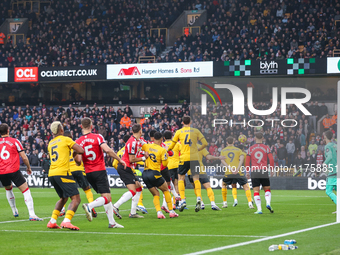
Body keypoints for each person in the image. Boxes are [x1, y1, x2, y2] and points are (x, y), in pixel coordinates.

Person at [78, 117, 125, 228]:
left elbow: (78, 159)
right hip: (99, 170)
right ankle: (89, 206)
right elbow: (107, 150)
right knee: (107, 197)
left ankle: (112, 223)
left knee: (106, 196)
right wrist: (119, 160)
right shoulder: (98, 137)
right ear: (91, 126)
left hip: (88, 173)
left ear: (81, 126)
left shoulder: (78, 141)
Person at [0, 123, 42, 221]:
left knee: (8, 189)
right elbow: (24, 157)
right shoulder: (15, 141)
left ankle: (14, 211)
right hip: (13, 170)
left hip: (2, 171)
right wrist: (28, 167)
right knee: (25, 190)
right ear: (8, 131)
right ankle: (32, 214)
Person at [47, 121, 84, 230]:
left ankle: (52, 221)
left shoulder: (50, 143)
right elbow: (81, 150)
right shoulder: (66, 139)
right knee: (76, 198)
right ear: (61, 130)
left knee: (64, 198)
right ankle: (66, 221)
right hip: (63, 172)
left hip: (52, 173)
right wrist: (74, 153)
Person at [167, 116, 208, 212]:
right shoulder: (196, 131)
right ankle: (198, 198)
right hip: (194, 158)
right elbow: (205, 143)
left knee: (181, 177)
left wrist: (167, 150)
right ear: (191, 122)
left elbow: (172, 145)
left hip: (184, 158)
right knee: (196, 178)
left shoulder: (178, 132)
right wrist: (199, 149)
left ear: (182, 122)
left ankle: (182, 200)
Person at [141, 132, 178, 219]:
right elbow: (164, 164)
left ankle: (159, 213)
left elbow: (141, 148)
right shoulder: (162, 150)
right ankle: (171, 212)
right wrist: (166, 155)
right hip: (155, 173)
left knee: (156, 194)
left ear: (153, 138)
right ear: (162, 139)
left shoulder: (147, 146)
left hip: (145, 174)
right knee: (166, 190)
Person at [113, 124, 146, 219]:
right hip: (125, 167)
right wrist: (143, 158)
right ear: (140, 131)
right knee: (132, 191)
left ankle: (133, 212)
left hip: (127, 167)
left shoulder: (135, 140)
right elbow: (131, 159)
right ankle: (115, 206)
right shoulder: (133, 142)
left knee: (138, 187)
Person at [62, 130, 97, 218]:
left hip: (69, 171)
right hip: (79, 169)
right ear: (71, 136)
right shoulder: (76, 144)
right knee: (87, 189)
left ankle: (62, 209)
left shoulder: (63, 146)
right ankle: (91, 206)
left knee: (66, 192)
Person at [149, 130, 180, 213]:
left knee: (166, 186)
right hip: (164, 167)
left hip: (154, 169)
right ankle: (175, 197)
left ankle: (165, 204)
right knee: (167, 186)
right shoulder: (163, 145)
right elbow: (171, 153)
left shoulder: (150, 146)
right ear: (161, 138)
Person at [187, 142, 224, 210]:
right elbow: (208, 157)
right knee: (208, 187)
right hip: (200, 169)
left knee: (196, 188)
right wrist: (218, 158)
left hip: (190, 170)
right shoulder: (200, 147)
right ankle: (213, 204)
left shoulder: (185, 147)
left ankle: (201, 203)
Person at [245, 132, 274, 214]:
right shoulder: (266, 148)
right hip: (264, 170)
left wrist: (247, 171)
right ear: (262, 138)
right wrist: (271, 169)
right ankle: (268, 203)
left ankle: (259, 209)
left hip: (254, 171)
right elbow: (271, 159)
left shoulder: (250, 148)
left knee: (256, 191)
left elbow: (247, 161)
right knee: (267, 189)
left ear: (255, 138)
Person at [220, 138, 254, 209]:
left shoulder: (223, 151)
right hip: (238, 172)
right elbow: (241, 159)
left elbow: (222, 161)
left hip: (228, 172)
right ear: (233, 142)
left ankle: (225, 203)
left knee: (223, 185)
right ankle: (250, 203)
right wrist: (237, 169)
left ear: (226, 143)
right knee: (246, 186)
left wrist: (230, 168)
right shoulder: (238, 150)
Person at [163, 131, 181, 209]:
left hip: (167, 167)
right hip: (176, 166)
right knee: (176, 184)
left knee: (168, 186)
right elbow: (182, 151)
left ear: (164, 137)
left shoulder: (162, 145)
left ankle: (167, 203)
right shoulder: (176, 144)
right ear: (172, 136)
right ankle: (175, 203)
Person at [324, 130, 337, 209]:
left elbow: (330, 157)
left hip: (332, 171)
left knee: (328, 191)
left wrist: (324, 164)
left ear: (325, 137)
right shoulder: (336, 145)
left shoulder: (328, 146)